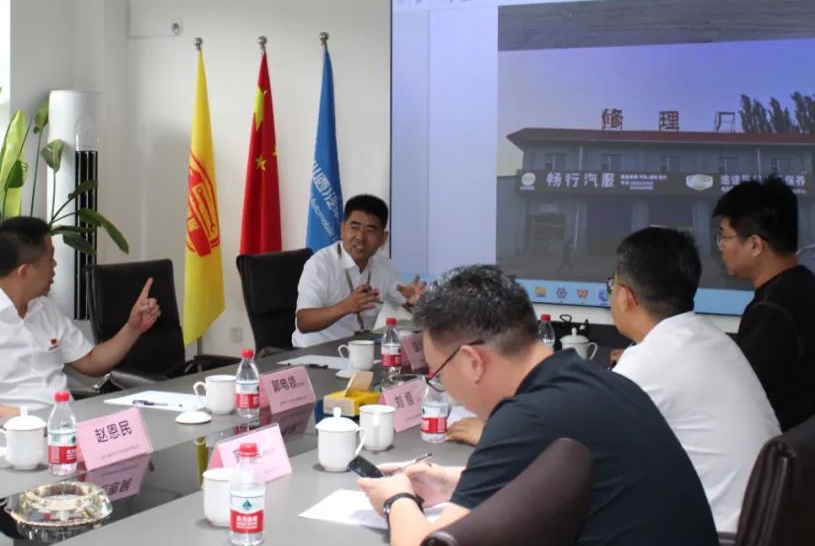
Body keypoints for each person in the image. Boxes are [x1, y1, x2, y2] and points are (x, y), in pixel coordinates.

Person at [356, 265, 717, 546]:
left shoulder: (526, 417)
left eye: (439, 374)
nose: (443, 385)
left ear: (472, 362)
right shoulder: (586, 381)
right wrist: (453, 483)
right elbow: (551, 484)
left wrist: (397, 500)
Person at [609, 226, 779, 532]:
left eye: (612, 284)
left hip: (721, 535)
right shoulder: (713, 338)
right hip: (766, 525)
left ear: (625, 297)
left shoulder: (649, 360)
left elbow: (583, 444)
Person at [0, 216, 160, 421]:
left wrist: (133, 328)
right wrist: (23, 418)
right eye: (50, 259)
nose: (55, 265)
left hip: (63, 427)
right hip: (10, 434)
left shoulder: (44, 309)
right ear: (24, 272)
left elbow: (91, 362)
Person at [713, 176, 815, 430]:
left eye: (724, 236)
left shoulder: (771, 312)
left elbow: (739, 399)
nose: (721, 246)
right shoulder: (803, 285)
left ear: (755, 244)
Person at [292, 194, 425, 347]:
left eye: (370, 231)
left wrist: (413, 302)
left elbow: (404, 303)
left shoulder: (384, 266)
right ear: (342, 229)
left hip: (359, 349)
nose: (360, 237)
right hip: (315, 351)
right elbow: (303, 321)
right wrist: (345, 307)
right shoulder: (320, 264)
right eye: (354, 228)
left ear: (383, 238)